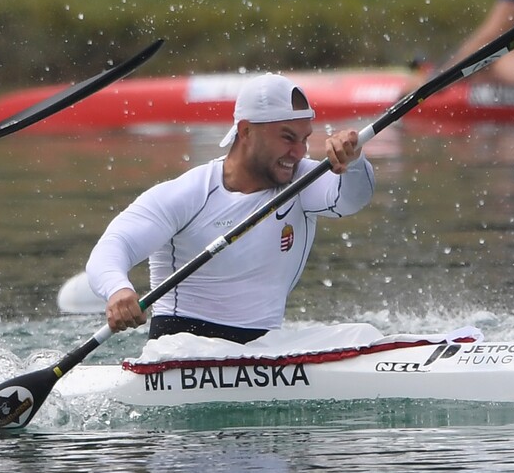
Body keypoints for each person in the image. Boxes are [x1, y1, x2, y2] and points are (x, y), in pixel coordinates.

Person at [85, 73, 374, 343]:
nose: (299, 152)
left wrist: (355, 160)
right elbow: (114, 246)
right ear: (246, 131)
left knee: (363, 334)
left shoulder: (304, 181)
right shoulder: (189, 193)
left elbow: (352, 199)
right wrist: (118, 290)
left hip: (264, 349)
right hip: (180, 348)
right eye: (287, 138)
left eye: (305, 139)